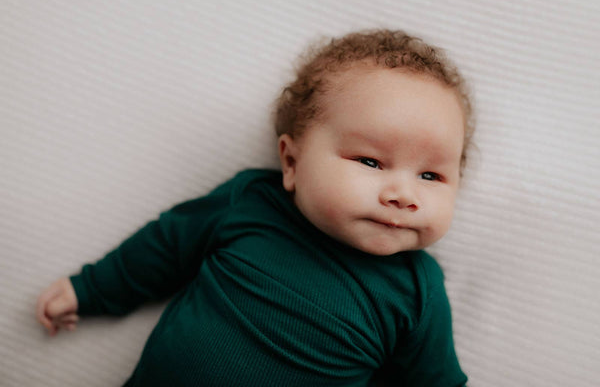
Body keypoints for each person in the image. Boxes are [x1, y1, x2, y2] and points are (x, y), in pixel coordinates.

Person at [36, 29, 474, 386]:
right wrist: (92, 288)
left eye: (431, 176)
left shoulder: (417, 291)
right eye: (370, 162)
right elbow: (166, 246)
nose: (403, 194)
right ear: (291, 161)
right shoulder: (252, 205)